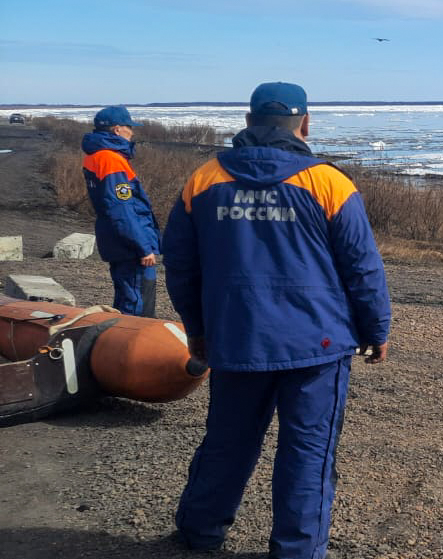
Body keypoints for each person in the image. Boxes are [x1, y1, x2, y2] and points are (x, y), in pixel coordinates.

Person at [162, 81, 392, 559]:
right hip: (317, 345)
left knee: (228, 440)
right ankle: (298, 549)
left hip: (237, 337)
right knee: (308, 453)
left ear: (248, 123)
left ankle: (200, 531)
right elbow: (362, 266)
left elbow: (181, 264)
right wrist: (376, 328)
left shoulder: (203, 180)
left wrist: (198, 331)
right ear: (304, 124)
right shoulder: (328, 183)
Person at [81, 105, 160, 316]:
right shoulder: (110, 160)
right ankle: (132, 347)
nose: (131, 132)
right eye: (129, 127)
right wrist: (143, 247)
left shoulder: (96, 156)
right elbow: (121, 209)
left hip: (116, 240)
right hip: (129, 246)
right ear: (117, 130)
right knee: (137, 307)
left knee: (126, 299)